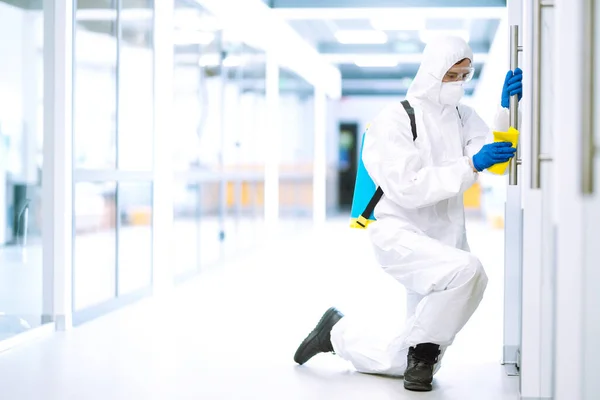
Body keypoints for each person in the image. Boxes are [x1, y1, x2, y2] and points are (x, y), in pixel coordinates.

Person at [292, 35, 523, 392]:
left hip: (446, 240)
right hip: (401, 238)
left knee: (403, 359)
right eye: (452, 75)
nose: (459, 84)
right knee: (469, 272)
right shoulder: (396, 119)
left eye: (465, 76)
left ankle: (336, 333)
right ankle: (425, 349)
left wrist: (506, 111)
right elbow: (409, 187)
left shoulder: (465, 116)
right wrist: (470, 165)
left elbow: (493, 159)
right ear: (432, 73)